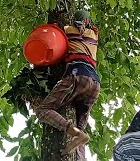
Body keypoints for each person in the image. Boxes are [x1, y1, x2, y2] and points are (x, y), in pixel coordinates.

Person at [35, 10, 101, 159]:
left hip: (77, 75)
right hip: (95, 84)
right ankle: (80, 154)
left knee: (43, 110)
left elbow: (52, 35)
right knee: (81, 125)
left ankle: (73, 131)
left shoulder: (68, 30)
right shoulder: (94, 35)